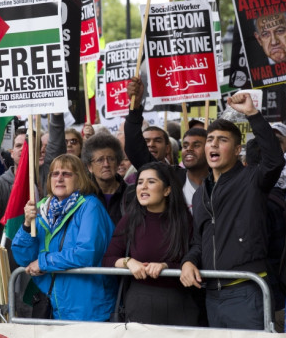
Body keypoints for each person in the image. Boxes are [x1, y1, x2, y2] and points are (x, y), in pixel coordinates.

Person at [180, 93, 285, 330]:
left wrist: (252, 114)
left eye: (222, 140)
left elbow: (275, 161)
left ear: (238, 149)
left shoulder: (252, 179)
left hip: (247, 291)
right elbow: (199, 242)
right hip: (212, 296)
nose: (213, 144)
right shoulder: (200, 194)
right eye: (210, 139)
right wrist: (188, 262)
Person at [12, 154, 116, 321]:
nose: (59, 178)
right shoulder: (42, 208)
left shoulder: (90, 206)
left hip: (87, 307)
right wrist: (26, 225)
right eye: (55, 173)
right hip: (53, 305)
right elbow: (23, 258)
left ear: (79, 179)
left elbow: (86, 253)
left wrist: (43, 263)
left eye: (66, 174)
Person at [102, 162, 198, 325]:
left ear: (167, 190)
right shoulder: (130, 219)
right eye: (140, 182)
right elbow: (108, 259)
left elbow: (195, 255)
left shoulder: (184, 220)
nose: (143, 187)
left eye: (151, 182)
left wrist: (165, 266)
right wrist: (129, 262)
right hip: (141, 302)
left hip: (181, 303)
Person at [81, 133, 129, 225]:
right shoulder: (83, 195)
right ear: (90, 167)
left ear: (118, 163)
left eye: (111, 159)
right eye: (100, 160)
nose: (106, 164)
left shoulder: (131, 193)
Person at [180, 128, 209, 213]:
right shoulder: (173, 180)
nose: (189, 149)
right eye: (185, 146)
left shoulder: (220, 183)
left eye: (196, 145)